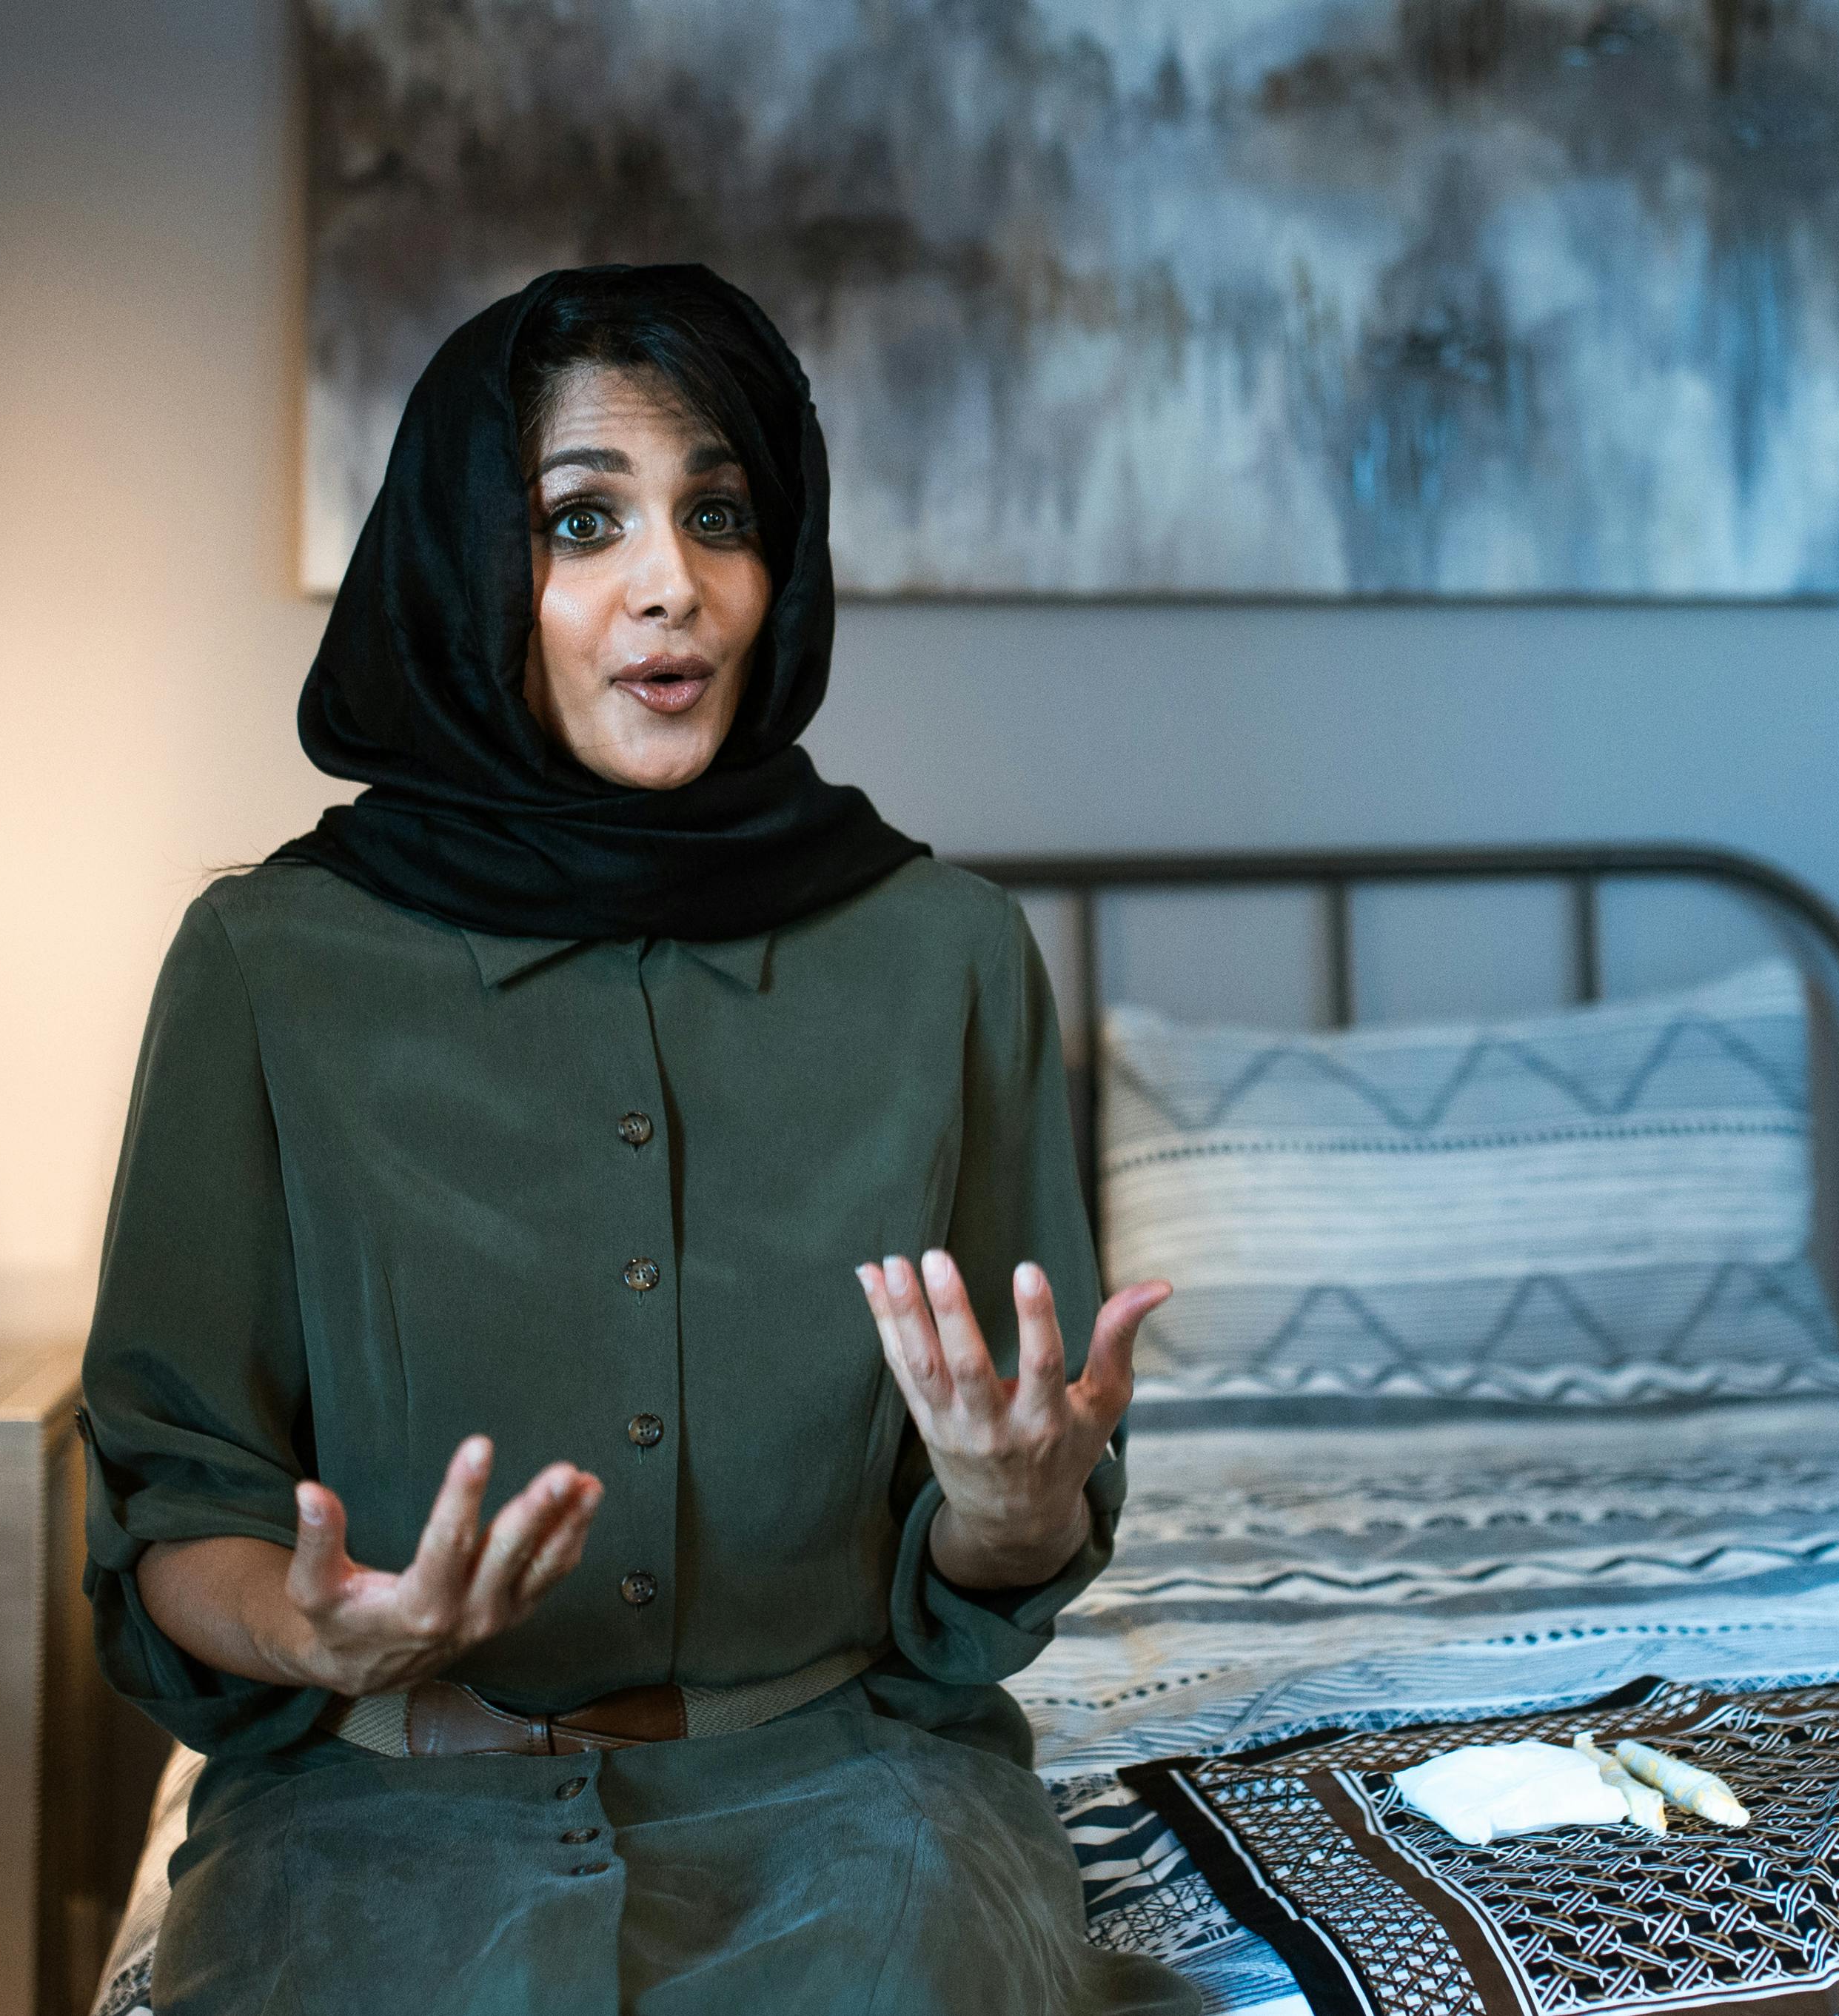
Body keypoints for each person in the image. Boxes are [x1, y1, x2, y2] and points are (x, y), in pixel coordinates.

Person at [78, 261, 1195, 2015]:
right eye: (580, 522)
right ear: (461, 564)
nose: (672, 586)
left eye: (721, 514)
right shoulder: (263, 966)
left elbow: (1001, 1533)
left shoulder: (946, 956)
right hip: (373, 1808)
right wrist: (312, 1632)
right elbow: (171, 1500)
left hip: (859, 1800)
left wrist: (1007, 1514)